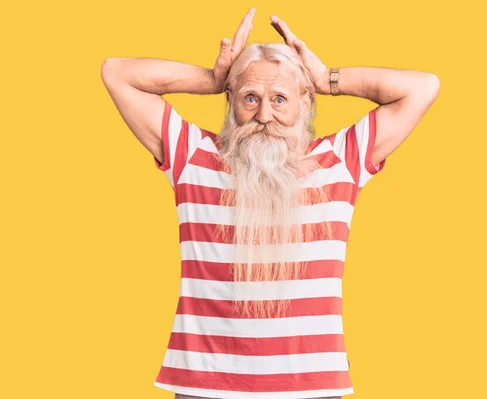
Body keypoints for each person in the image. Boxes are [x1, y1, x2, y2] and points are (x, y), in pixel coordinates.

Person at [101, 7, 439, 399]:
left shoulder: (340, 160)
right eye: (250, 98)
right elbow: (116, 72)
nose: (264, 115)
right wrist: (211, 79)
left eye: (279, 98)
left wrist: (327, 78)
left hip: (311, 386)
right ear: (230, 101)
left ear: (304, 102)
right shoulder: (192, 155)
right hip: (204, 386)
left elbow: (423, 87)